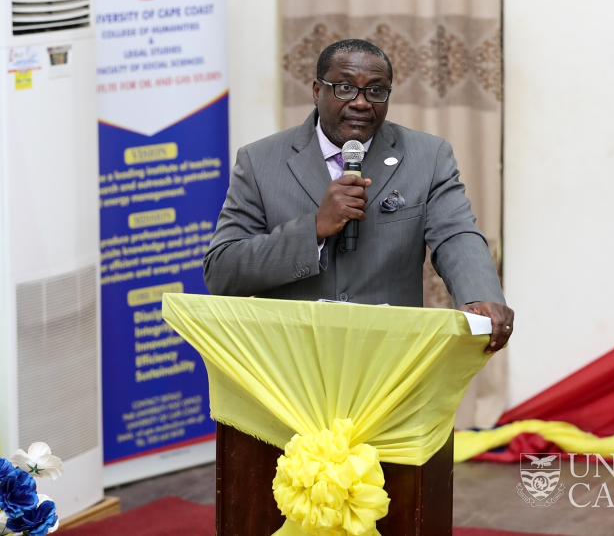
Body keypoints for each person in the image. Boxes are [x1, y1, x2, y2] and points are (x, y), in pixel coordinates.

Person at [203, 39, 514, 353]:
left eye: (376, 90)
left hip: (389, 359)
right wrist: (313, 229)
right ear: (316, 91)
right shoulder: (260, 161)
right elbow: (222, 271)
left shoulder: (427, 155)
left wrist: (480, 295)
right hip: (292, 361)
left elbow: (455, 234)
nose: (362, 103)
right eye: (345, 88)